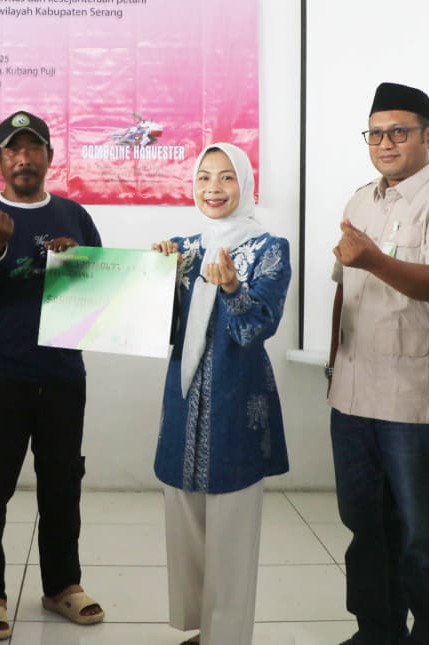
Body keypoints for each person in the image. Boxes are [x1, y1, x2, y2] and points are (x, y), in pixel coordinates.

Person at [328, 82, 429, 645]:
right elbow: (344, 286)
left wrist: (375, 258)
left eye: (399, 132)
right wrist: (332, 364)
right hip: (351, 394)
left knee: (423, 533)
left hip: (414, 397)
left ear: (428, 135)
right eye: (375, 134)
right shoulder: (359, 200)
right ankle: (377, 630)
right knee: (364, 525)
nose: (385, 143)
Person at [0, 111, 104, 641]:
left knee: (62, 484)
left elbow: (99, 296)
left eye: (33, 148)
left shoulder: (74, 215)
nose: (24, 158)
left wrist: (78, 267)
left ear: (49, 156)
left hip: (63, 375)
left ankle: (62, 585)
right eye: (13, 150)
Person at [152, 143, 291, 645]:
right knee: (185, 521)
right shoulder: (181, 247)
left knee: (232, 531)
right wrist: (155, 278)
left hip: (236, 404)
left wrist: (233, 289)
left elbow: (258, 327)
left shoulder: (269, 247)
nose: (213, 188)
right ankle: (202, 629)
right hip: (183, 401)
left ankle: (227, 637)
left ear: (245, 184)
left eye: (227, 177)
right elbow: (156, 328)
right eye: (204, 177)